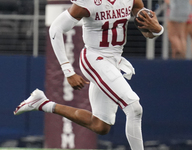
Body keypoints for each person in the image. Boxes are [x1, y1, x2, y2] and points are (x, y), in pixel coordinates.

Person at [14, 0, 164, 149]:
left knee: (100, 126)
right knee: (134, 107)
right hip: (94, 58)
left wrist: (158, 29)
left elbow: (149, 32)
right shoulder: (89, 2)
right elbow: (55, 29)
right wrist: (68, 70)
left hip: (114, 61)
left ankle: (42, 103)